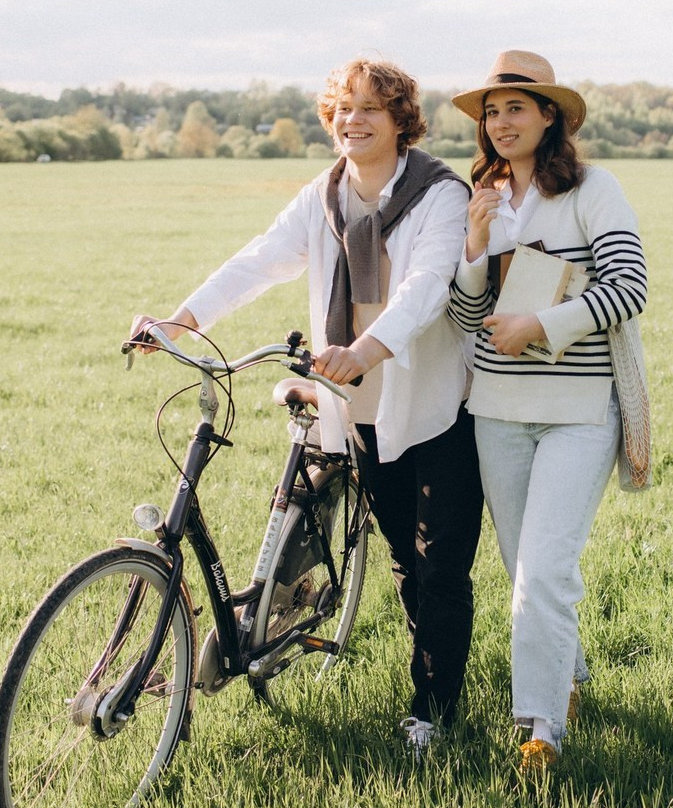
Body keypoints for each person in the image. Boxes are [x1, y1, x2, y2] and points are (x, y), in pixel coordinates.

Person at [130, 58, 483, 761]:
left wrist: (366, 348)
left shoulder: (439, 193)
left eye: (370, 110)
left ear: (400, 120)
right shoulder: (323, 196)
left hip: (435, 401)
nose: (352, 121)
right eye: (343, 108)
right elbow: (262, 259)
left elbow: (426, 284)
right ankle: (408, 669)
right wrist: (181, 321)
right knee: (404, 564)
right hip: (356, 407)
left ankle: (433, 711)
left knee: (439, 566)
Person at [448, 50, 648, 774]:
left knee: (542, 571)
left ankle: (539, 730)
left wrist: (541, 324)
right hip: (496, 409)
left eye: (516, 108)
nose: (501, 123)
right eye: (491, 112)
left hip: (577, 408)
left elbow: (629, 287)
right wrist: (474, 246)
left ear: (550, 116)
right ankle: (571, 678)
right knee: (522, 566)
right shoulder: (486, 197)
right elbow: (468, 314)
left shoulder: (595, 190)